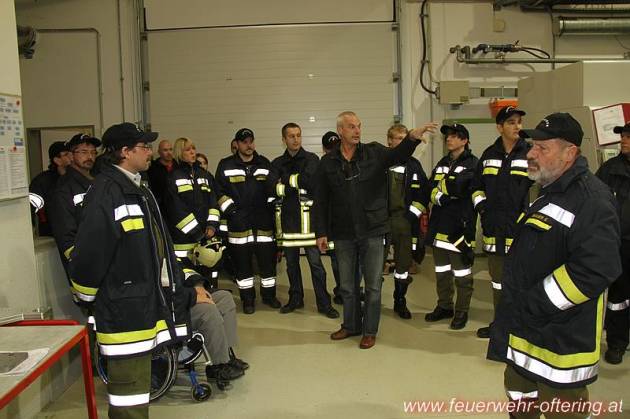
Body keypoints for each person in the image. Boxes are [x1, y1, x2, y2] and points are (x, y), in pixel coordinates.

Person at [488, 113, 621, 419]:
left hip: (560, 347)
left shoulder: (592, 200)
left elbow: (595, 270)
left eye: (542, 148)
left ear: (569, 153)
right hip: (525, 337)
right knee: (520, 404)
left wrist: (534, 304)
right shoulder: (548, 190)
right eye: (532, 146)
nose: (530, 154)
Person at [69, 123, 195, 418]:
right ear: (125, 152)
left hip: (141, 307)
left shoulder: (138, 188)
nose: (150, 152)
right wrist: (86, 298)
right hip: (123, 312)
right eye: (144, 147)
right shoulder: (107, 192)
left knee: (138, 392)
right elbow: (90, 255)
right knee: (128, 399)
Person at [313, 111, 435, 349]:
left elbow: (398, 154)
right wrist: (321, 232)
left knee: (373, 286)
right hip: (343, 232)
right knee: (347, 286)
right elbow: (321, 199)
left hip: (373, 230)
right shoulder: (328, 163)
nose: (357, 130)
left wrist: (412, 137)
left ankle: (369, 330)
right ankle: (351, 325)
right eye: (351, 127)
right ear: (340, 131)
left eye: (359, 126)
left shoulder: (374, 152)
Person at [471, 106, 533, 339]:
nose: (517, 126)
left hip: (522, 230)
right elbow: (476, 188)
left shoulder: (530, 153)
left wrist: (528, 215)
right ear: (499, 127)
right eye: (511, 122)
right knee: (497, 282)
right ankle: (500, 324)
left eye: (519, 122)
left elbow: (539, 188)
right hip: (494, 229)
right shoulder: (488, 155)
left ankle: (519, 327)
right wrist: (483, 209)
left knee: (521, 281)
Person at [272, 123, 338, 318]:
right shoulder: (276, 162)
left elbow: (311, 182)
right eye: (291, 136)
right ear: (283, 139)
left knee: (317, 266)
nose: (296, 139)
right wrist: (296, 181)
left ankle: (324, 303)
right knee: (292, 266)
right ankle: (295, 299)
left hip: (310, 223)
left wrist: (285, 181)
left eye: (298, 135)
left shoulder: (312, 159)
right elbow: (271, 187)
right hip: (288, 223)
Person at [215, 128, 281, 314]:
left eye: (251, 141)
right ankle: (248, 300)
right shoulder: (226, 165)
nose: (249, 145)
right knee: (242, 266)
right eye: (244, 142)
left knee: (268, 265)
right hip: (239, 225)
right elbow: (218, 192)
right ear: (237, 144)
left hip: (263, 224)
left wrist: (269, 208)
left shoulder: (264, 163)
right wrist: (232, 212)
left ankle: (269, 296)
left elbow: (273, 189)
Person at [422, 124, 478, 330]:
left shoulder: (473, 164)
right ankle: (444, 306)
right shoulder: (442, 162)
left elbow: (460, 187)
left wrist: (443, 189)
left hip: (459, 228)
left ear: (465, 140)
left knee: (462, 274)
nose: (449, 139)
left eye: (454, 136)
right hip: (439, 226)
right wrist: (441, 195)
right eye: (447, 136)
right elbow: (429, 187)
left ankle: (462, 311)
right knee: (442, 271)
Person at [383, 124, 429, 320]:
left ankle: (399, 301)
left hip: (404, 222)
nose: (403, 142)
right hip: (382, 223)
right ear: (389, 141)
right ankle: (372, 302)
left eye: (405, 138)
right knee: (375, 264)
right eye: (399, 139)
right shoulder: (381, 163)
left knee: (403, 266)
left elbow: (424, 194)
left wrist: (411, 216)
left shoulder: (414, 166)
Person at [164, 137, 221, 287]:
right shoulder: (173, 177)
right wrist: (196, 232)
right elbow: (176, 209)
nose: (192, 152)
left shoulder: (204, 175)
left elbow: (213, 202)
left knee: (207, 276)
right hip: (184, 239)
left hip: (206, 236)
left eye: (193, 148)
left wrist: (212, 225)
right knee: (187, 278)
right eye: (188, 149)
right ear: (179, 153)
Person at [595, 121, 630, 365]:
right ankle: (617, 343)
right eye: (623, 136)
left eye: (628, 136)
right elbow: (595, 203)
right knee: (618, 299)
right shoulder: (609, 170)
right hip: (618, 244)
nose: (623, 140)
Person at [49, 133, 101, 279]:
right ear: (71, 156)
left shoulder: (98, 182)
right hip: (87, 267)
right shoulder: (63, 189)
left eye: (93, 152)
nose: (90, 157)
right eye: (83, 152)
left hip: (104, 260)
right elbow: (66, 236)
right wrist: (83, 263)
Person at [29, 141, 72, 236]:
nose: (71, 157)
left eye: (71, 153)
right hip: (51, 234)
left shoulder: (77, 178)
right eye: (66, 154)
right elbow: (31, 210)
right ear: (57, 160)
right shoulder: (42, 181)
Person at [321, 131, 343, 305]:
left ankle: (349, 289)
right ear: (324, 149)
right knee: (336, 259)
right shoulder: (323, 165)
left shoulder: (350, 161)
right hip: (332, 224)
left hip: (350, 222)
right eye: (331, 148)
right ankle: (342, 290)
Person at [147, 139, 176, 212]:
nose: (169, 153)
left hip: (177, 206)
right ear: (159, 152)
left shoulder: (178, 167)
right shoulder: (153, 169)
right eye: (165, 150)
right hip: (161, 208)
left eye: (170, 149)